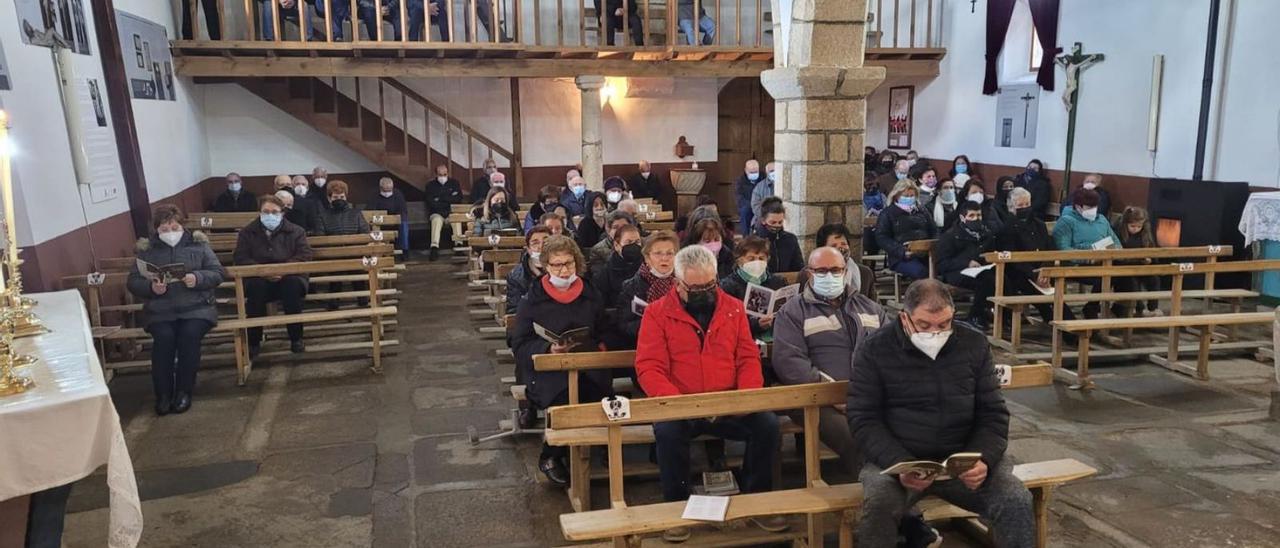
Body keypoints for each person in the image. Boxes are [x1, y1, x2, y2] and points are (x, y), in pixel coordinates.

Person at [848, 279, 1030, 548]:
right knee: (878, 504)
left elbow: (993, 413)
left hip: (963, 458)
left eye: (944, 324)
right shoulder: (875, 349)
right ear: (904, 317)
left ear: (952, 316)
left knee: (1015, 499)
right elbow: (863, 418)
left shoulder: (973, 344)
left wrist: (984, 459)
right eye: (924, 325)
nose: (935, 332)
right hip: (899, 461)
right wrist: (900, 462)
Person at [635, 245, 785, 543]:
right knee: (667, 433)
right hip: (681, 404)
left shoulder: (732, 307)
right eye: (695, 287)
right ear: (677, 284)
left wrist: (745, 396)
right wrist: (680, 403)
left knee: (767, 425)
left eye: (710, 285)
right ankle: (677, 505)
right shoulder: (657, 313)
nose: (705, 291)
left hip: (728, 401)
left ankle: (756, 500)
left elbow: (746, 357)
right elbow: (649, 367)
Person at [772, 246, 888, 472]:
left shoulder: (870, 308)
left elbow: (891, 353)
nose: (829, 276)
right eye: (821, 270)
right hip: (817, 399)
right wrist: (833, 394)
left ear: (846, 272)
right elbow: (790, 362)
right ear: (809, 273)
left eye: (835, 270)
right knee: (858, 438)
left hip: (868, 395)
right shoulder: (793, 312)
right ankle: (879, 493)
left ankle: (901, 489)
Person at [510, 235, 612, 484]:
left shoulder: (590, 293)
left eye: (569, 263)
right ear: (546, 266)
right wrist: (547, 348)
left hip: (586, 365)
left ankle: (592, 450)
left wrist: (599, 345)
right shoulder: (532, 299)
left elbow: (605, 328)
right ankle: (551, 456)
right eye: (557, 265)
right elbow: (518, 342)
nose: (564, 270)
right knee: (564, 398)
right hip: (549, 371)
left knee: (598, 396)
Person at [127, 205, 224, 415]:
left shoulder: (199, 246)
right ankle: (162, 394)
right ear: (156, 230)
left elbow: (217, 273)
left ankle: (183, 391)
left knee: (189, 337)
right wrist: (151, 287)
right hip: (161, 311)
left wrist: (197, 278)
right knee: (164, 339)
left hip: (197, 308)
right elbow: (133, 281)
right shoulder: (147, 251)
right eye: (164, 229)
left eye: (174, 227)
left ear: (182, 226)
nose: (170, 233)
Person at [234, 195, 314, 357]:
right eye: (266, 211)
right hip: (258, 277)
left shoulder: (296, 231)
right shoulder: (247, 232)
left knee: (291, 287)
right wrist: (263, 271)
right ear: (260, 213)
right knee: (256, 291)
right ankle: (254, 341)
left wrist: (282, 270)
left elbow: (304, 255)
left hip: (290, 276)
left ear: (282, 213)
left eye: (275, 212)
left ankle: (296, 338)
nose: (270, 215)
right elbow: (241, 258)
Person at [994, 187, 1075, 332]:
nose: (1025, 208)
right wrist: (1033, 275)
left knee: (1056, 297)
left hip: (1042, 271)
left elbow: (1050, 249)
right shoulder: (1006, 228)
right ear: (1011, 207)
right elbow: (1012, 258)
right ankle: (1063, 331)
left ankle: (1072, 328)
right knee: (1043, 298)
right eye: (1020, 206)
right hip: (1020, 274)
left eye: (1027, 204)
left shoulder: (1039, 224)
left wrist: (1045, 271)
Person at [1053, 188, 1123, 319]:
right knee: (1106, 275)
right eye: (1088, 207)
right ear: (1078, 206)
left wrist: (1114, 250)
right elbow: (1063, 250)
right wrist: (1088, 258)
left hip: (1103, 261)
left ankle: (1121, 308)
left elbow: (1116, 243)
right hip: (1077, 265)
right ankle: (1092, 308)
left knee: (1122, 271)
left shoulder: (1101, 219)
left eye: (1095, 207)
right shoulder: (1066, 221)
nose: (1092, 210)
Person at [935, 202, 997, 330]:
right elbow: (942, 263)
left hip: (981, 269)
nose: (976, 219)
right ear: (963, 218)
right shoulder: (951, 235)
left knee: (1003, 278)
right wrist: (966, 263)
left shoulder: (986, 233)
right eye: (972, 216)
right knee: (986, 281)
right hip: (956, 272)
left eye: (979, 215)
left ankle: (1001, 315)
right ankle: (975, 315)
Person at [615, 230, 679, 349]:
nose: (664, 258)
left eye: (670, 253)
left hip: (679, 346)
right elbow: (624, 326)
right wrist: (656, 324)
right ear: (647, 257)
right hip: (644, 346)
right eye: (658, 253)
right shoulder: (631, 287)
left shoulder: (685, 284)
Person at [717, 236, 787, 340]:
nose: (757, 262)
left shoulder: (778, 282)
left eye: (761, 258)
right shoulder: (728, 286)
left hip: (777, 336)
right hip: (742, 338)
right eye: (751, 259)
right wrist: (757, 324)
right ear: (739, 261)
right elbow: (727, 321)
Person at [591, 224, 644, 342]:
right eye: (629, 242)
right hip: (616, 328)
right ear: (616, 245)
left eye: (637, 242)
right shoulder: (604, 274)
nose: (634, 246)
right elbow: (601, 308)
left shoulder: (647, 268)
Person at [875, 180, 936, 280]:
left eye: (912, 195)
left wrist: (933, 246)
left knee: (943, 268)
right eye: (906, 196)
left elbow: (934, 230)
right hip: (902, 257)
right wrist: (901, 252)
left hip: (926, 254)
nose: (909, 198)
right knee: (922, 272)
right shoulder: (888, 213)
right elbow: (882, 237)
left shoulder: (922, 211)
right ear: (896, 195)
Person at [1111, 207, 1162, 318]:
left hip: (1140, 265)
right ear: (1126, 224)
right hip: (1123, 267)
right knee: (1132, 282)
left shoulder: (1145, 234)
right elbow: (1117, 255)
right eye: (1132, 226)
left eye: (1139, 226)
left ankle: (1153, 307)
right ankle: (1139, 307)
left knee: (1154, 279)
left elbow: (1151, 250)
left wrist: (1150, 259)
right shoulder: (1118, 232)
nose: (1136, 229)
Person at [814, 223, 874, 299]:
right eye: (834, 246)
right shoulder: (813, 273)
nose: (841, 248)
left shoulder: (865, 273)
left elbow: (875, 306)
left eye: (843, 244)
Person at [506, 225, 551, 315]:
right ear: (529, 249)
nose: (541, 247)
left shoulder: (564, 268)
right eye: (535, 243)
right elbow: (515, 309)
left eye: (546, 242)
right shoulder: (516, 276)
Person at [753, 197, 804, 273]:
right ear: (763, 220)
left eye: (780, 222)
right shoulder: (753, 241)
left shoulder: (790, 239)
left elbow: (798, 267)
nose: (777, 225)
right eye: (773, 222)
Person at [425, 165, 464, 260]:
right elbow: (431, 203)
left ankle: (459, 245)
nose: (442, 176)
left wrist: (441, 199)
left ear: (448, 173)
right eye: (440, 174)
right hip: (437, 213)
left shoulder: (454, 183)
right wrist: (449, 199)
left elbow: (458, 199)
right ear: (436, 174)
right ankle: (434, 247)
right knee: (436, 220)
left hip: (451, 212)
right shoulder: (430, 186)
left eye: (445, 174)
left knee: (456, 218)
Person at [369, 177, 410, 251]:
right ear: (380, 188)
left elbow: (403, 210)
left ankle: (404, 250)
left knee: (403, 224)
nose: (387, 192)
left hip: (395, 220)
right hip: (380, 221)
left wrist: (394, 219)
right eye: (385, 190)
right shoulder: (374, 195)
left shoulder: (398, 194)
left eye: (390, 190)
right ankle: (377, 250)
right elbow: (370, 210)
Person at [734, 160, 762, 236]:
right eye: (751, 172)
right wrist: (752, 205)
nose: (754, 174)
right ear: (746, 170)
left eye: (756, 171)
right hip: (748, 206)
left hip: (761, 206)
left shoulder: (763, 179)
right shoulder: (740, 181)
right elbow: (739, 198)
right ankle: (746, 237)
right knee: (745, 211)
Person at [863, 174, 888, 256]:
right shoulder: (862, 198)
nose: (873, 187)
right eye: (869, 185)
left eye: (875, 185)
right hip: (867, 227)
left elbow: (887, 211)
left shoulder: (882, 196)